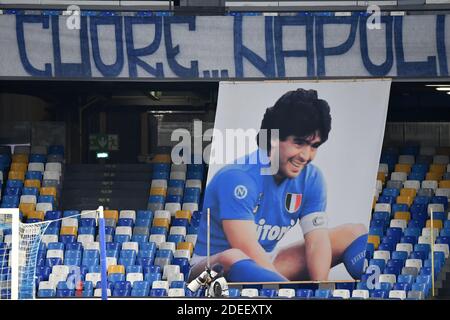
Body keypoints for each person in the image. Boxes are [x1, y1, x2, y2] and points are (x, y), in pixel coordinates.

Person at [188, 88, 368, 283]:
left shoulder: (312, 178)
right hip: (208, 271)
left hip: (263, 264)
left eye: (314, 146)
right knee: (232, 256)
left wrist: (320, 288)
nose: (306, 156)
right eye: (299, 143)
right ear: (273, 138)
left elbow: (317, 242)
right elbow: (245, 246)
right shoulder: (237, 177)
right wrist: (287, 289)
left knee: (354, 232)